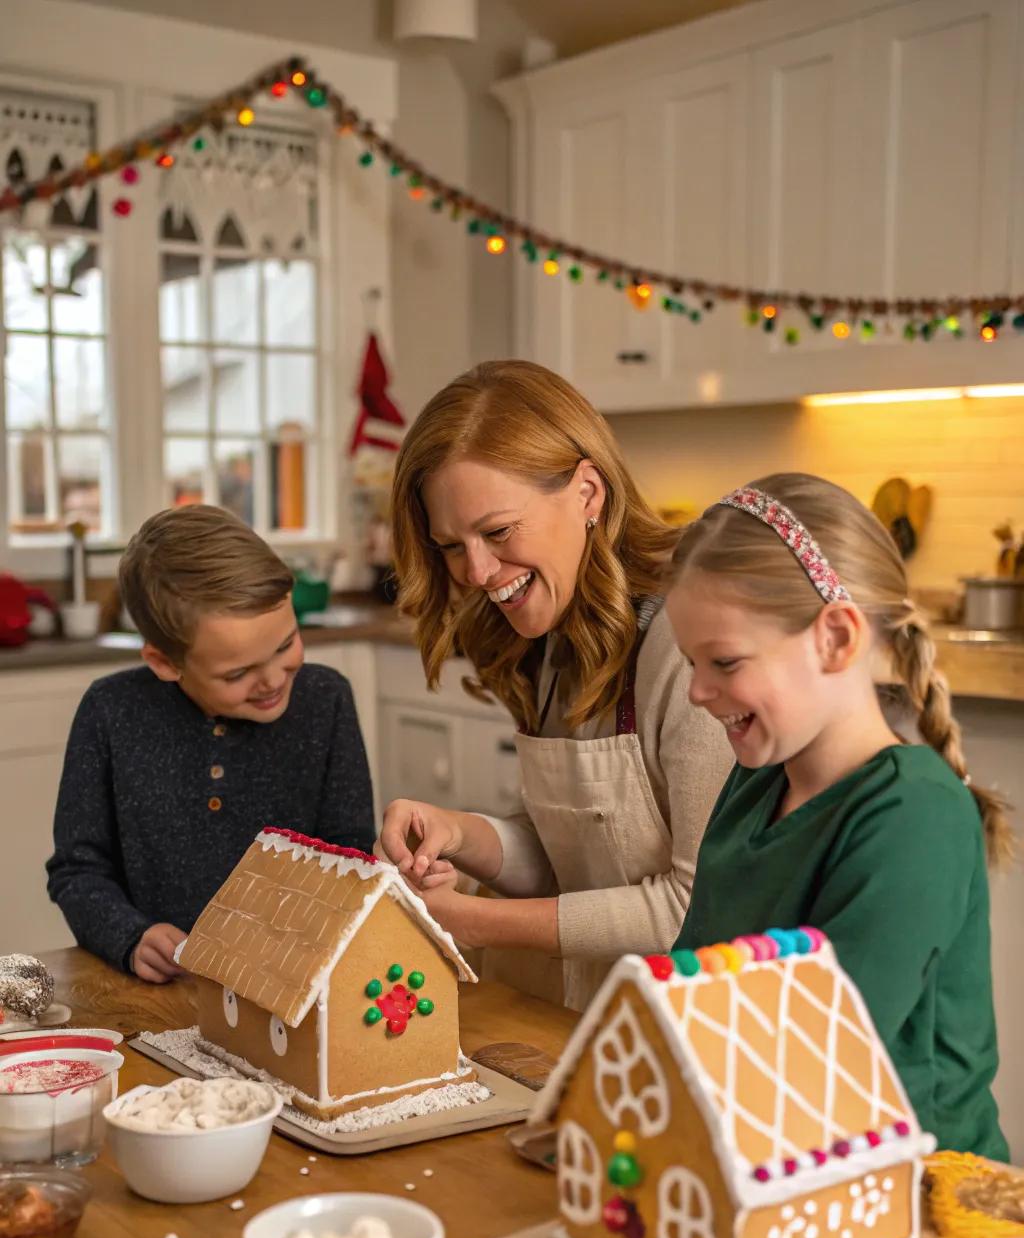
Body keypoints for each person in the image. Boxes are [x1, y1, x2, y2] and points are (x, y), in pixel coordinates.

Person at [668, 473, 1011, 1158]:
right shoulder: (755, 784)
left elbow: (822, 1058)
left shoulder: (914, 814)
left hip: (920, 1196)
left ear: (834, 637)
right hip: (760, 1152)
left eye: (724, 662)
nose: (698, 692)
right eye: (690, 662)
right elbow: (693, 988)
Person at [379, 360, 731, 1011]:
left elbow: (693, 908)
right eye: (452, 546)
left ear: (588, 494)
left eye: (497, 532)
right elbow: (572, 857)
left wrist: (474, 922)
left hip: (690, 1029)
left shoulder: (690, 648)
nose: (478, 572)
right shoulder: (550, 635)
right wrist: (460, 833)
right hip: (591, 1020)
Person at [47, 504, 374, 982]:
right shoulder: (110, 712)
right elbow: (77, 869)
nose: (271, 680)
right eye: (237, 672)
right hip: (159, 993)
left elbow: (350, 856)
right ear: (164, 662)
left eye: (285, 645)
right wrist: (130, 936)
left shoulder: (327, 700)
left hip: (290, 986)